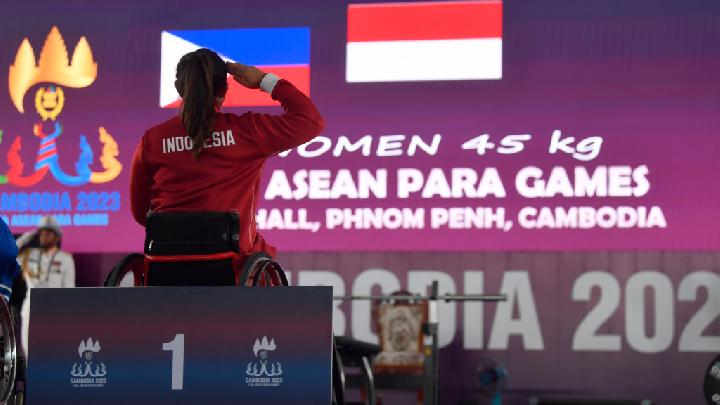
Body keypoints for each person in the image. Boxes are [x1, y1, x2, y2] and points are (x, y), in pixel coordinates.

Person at [130, 48, 324, 259]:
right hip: (233, 264)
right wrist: (264, 80)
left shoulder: (152, 140)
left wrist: (184, 235)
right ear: (223, 90)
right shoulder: (246, 132)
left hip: (167, 264)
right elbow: (310, 121)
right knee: (261, 251)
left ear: (179, 89)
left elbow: (141, 214)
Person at [16, 215, 75, 356]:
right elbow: (8, 257)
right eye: (41, 233)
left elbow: (70, 290)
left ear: (56, 237)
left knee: (53, 353)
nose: (43, 236)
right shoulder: (29, 255)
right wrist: (23, 239)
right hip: (31, 309)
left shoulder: (65, 258)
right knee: (29, 353)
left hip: (54, 311)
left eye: (48, 233)